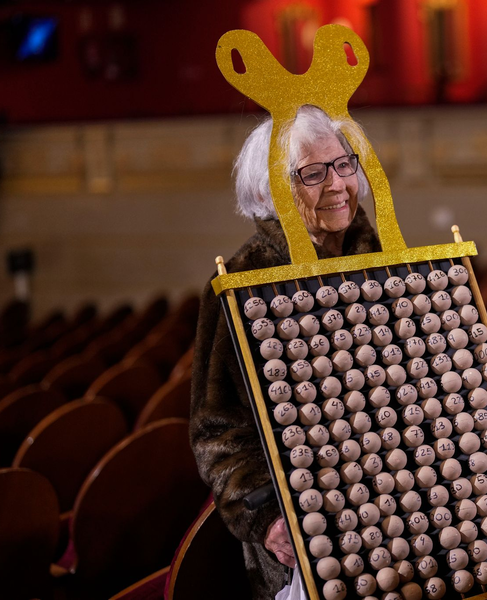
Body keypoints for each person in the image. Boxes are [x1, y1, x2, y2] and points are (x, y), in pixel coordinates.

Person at [190, 105, 381, 598]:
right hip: (305, 534)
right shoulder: (239, 285)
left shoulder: (383, 260)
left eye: (344, 165)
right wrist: (269, 522)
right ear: (268, 192)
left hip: (397, 507)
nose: (337, 185)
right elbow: (218, 432)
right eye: (312, 174)